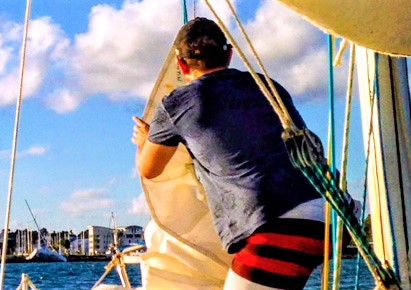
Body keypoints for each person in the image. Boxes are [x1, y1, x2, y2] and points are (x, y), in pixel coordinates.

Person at [131, 17, 326, 290]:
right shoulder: (268, 85)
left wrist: (144, 141)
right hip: (324, 215)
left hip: (275, 227)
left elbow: (149, 169)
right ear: (229, 54)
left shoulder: (177, 103)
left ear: (181, 64)